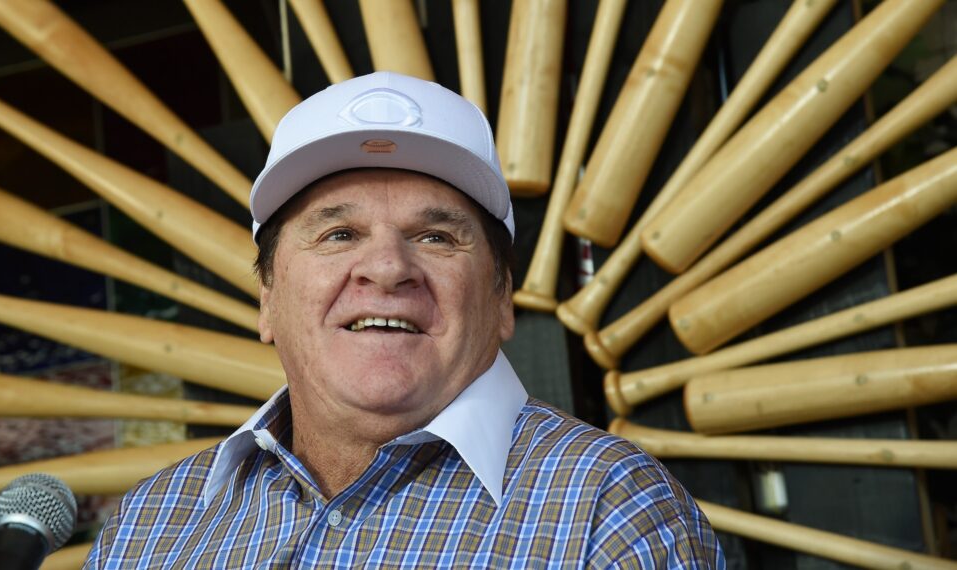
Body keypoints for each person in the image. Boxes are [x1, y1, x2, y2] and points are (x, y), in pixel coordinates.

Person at [85, 71, 724, 568]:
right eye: (337, 234)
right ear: (267, 299)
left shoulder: (612, 515)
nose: (387, 268)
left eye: (436, 238)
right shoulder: (152, 524)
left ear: (503, 299)